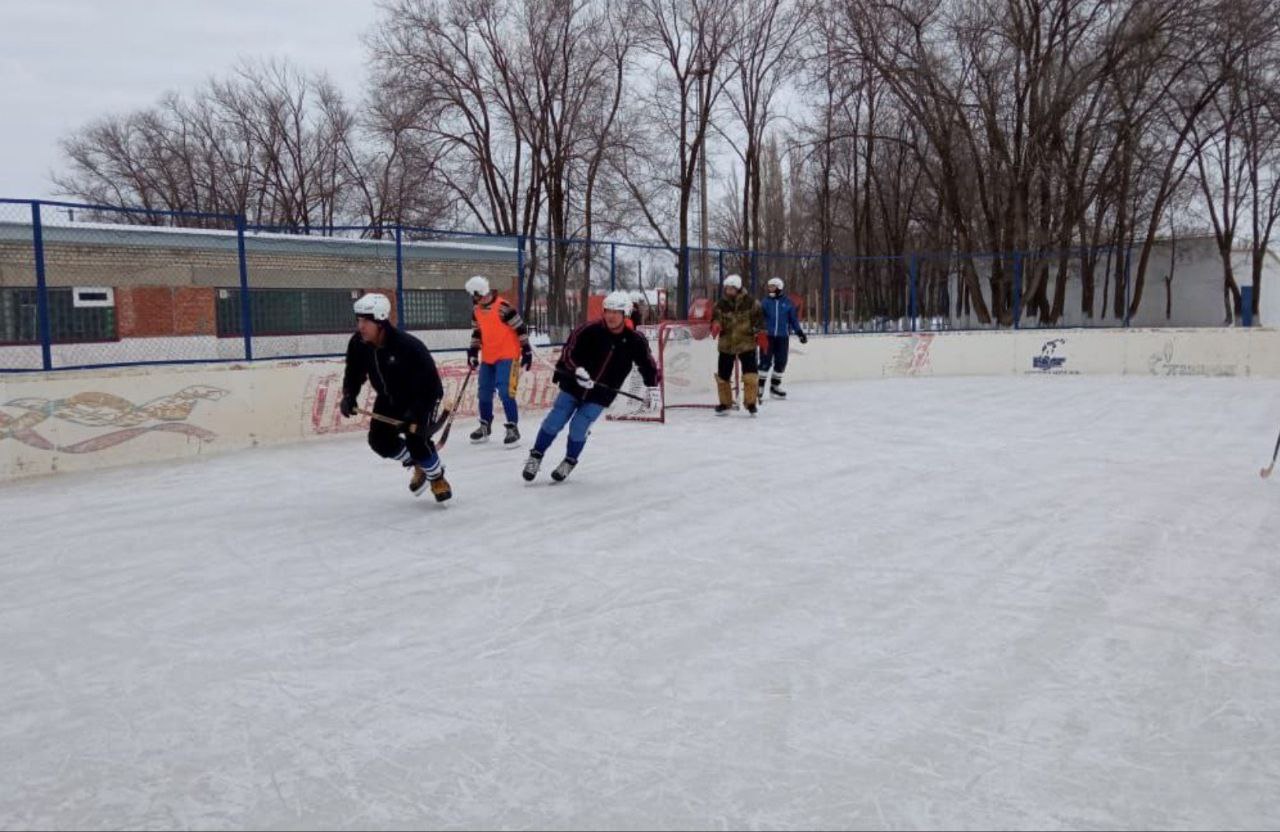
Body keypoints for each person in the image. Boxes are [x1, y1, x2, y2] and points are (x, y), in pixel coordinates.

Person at [522, 290, 660, 483]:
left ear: (625, 314)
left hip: (601, 394)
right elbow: (568, 353)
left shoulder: (635, 340)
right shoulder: (588, 330)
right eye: (608, 311)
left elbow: (647, 364)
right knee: (555, 421)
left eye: (616, 312)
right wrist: (577, 371)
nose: (611, 315)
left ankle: (570, 460)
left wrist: (653, 388)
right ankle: (536, 455)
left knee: (579, 427)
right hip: (573, 385)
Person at [339, 293, 452, 501]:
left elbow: (428, 385)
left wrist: (414, 414)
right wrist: (349, 395)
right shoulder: (358, 344)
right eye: (359, 320)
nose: (360, 326)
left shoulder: (408, 346)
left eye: (366, 321)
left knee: (416, 439)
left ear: (380, 322)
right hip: (389, 397)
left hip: (422, 395)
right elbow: (354, 372)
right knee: (379, 441)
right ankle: (417, 462)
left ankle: (437, 477)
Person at [464, 275, 533, 448]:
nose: (473, 299)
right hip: (488, 357)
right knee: (484, 392)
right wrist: (473, 351)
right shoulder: (476, 311)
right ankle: (485, 426)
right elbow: (477, 333)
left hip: (507, 356)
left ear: (480, 293)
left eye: (474, 295)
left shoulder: (503, 307)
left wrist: (526, 349)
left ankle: (512, 428)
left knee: (505, 391)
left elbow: (520, 328)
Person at [711, 274, 766, 415]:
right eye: (726, 288)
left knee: (750, 374)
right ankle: (725, 403)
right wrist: (716, 324)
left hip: (746, 343)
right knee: (723, 375)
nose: (728, 291)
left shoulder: (751, 302)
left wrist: (760, 333)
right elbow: (715, 317)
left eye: (731, 289)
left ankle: (751, 403)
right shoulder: (720, 304)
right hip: (726, 344)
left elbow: (759, 319)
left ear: (738, 288)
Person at [758, 276, 808, 400]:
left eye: (772, 286)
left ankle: (774, 387)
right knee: (765, 362)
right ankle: (759, 387)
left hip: (782, 337)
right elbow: (758, 318)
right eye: (769, 286)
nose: (770, 288)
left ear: (779, 287)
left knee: (781, 362)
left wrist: (800, 333)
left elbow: (793, 320)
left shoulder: (787, 303)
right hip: (767, 337)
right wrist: (757, 331)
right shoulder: (765, 302)